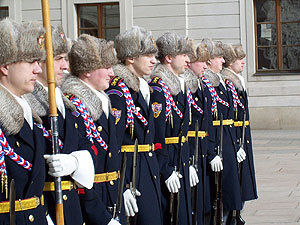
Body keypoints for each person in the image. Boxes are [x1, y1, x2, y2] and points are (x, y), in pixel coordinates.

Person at [26, 24, 95, 225]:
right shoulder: (30, 105)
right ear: (39, 62)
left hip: (70, 206)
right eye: (58, 59)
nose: (65, 66)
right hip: (45, 206)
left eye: (65, 59)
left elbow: (85, 144)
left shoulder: (63, 102)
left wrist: (75, 162)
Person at [61, 34, 121, 225]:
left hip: (111, 196)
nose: (112, 73)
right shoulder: (76, 104)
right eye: (106, 67)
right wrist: (100, 216)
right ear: (87, 70)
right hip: (93, 204)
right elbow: (79, 172)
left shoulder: (102, 100)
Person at [106, 26, 163, 225]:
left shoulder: (142, 87)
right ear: (130, 57)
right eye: (147, 55)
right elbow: (112, 142)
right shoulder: (118, 92)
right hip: (131, 170)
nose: (154, 61)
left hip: (146, 166)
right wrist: (120, 185)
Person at [0, 18, 47, 224]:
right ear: (5, 66)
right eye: (31, 62)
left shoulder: (30, 114)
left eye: (38, 62)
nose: (38, 69)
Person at [148, 31, 194, 225]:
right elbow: (157, 134)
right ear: (169, 58)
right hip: (168, 159)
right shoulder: (159, 88)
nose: (188, 60)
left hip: (180, 156)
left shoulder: (176, 86)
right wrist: (165, 169)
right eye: (183, 55)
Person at [201, 38, 242, 223]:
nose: (223, 61)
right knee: (220, 192)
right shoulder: (207, 84)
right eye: (219, 57)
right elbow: (207, 121)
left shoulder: (220, 82)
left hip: (227, 138)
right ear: (209, 60)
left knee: (231, 191)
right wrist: (211, 151)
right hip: (218, 141)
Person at [221, 44, 258, 217]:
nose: (242, 62)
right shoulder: (229, 83)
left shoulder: (237, 81)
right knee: (234, 183)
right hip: (235, 137)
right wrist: (236, 144)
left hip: (241, 136)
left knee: (242, 182)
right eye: (238, 59)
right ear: (229, 62)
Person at [183, 41, 213, 225]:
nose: (205, 65)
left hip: (201, 149)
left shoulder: (200, 85)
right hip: (192, 148)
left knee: (204, 203)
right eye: (200, 61)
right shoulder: (185, 87)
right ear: (190, 63)